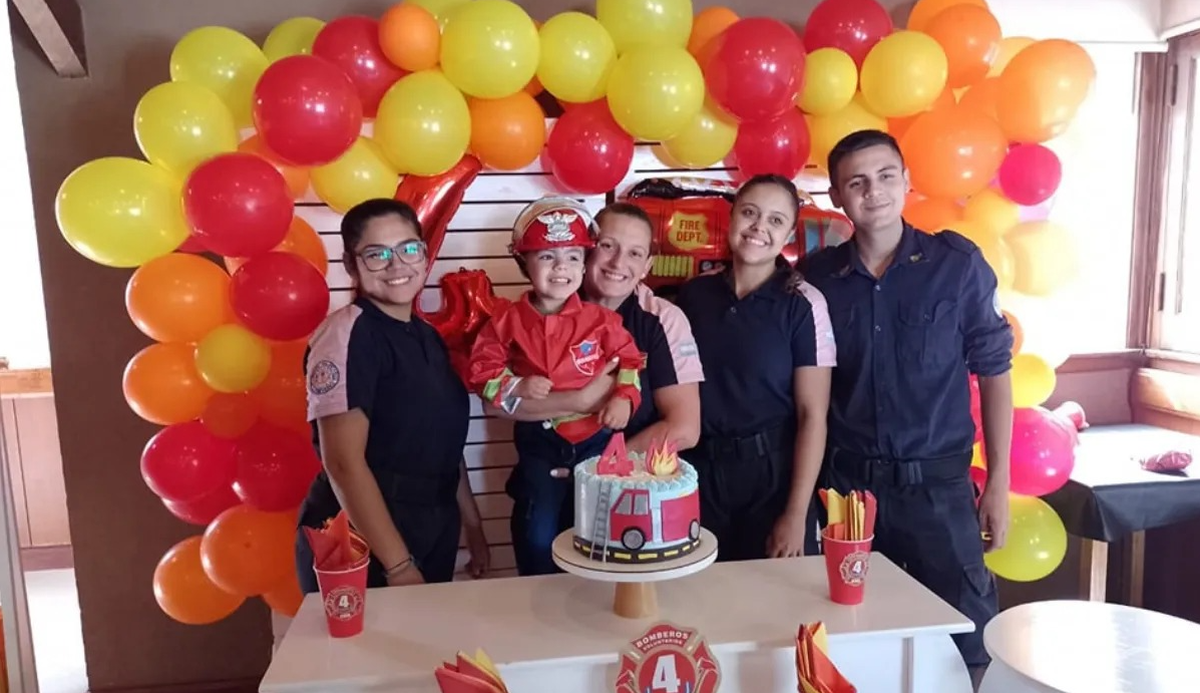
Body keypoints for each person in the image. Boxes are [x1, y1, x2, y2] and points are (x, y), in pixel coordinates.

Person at [799, 129, 1013, 681]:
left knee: (965, 643)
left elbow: (993, 370)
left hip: (939, 493)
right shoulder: (817, 280)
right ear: (837, 198)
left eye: (886, 176)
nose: (875, 192)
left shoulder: (956, 265)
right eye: (857, 182)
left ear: (907, 181)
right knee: (850, 640)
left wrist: (998, 484)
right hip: (848, 496)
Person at [295, 198, 489, 593]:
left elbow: (444, 446)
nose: (397, 264)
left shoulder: (427, 336)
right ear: (350, 265)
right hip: (362, 539)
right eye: (376, 254)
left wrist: (473, 525)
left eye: (408, 248)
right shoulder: (348, 335)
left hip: (432, 522)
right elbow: (343, 462)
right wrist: (398, 565)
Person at [467, 197, 646, 576]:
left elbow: (630, 362)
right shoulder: (507, 321)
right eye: (547, 257)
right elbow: (481, 374)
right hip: (539, 446)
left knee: (601, 538)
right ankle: (537, 607)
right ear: (523, 262)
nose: (561, 267)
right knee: (536, 535)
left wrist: (625, 400)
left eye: (572, 257)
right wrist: (516, 385)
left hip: (597, 443)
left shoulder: (602, 320)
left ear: (585, 264)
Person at [675, 174, 836, 562]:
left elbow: (812, 415)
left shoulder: (803, 305)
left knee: (773, 606)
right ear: (731, 219)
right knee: (699, 599)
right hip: (700, 473)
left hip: (773, 478)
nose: (759, 227)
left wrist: (795, 513)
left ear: (788, 236)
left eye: (775, 220)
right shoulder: (694, 296)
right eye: (749, 213)